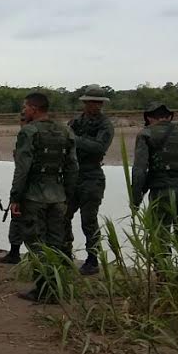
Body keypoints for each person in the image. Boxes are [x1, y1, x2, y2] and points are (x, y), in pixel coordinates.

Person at [10, 92, 78, 303]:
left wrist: (15, 197)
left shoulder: (29, 132)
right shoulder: (66, 131)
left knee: (36, 243)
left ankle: (43, 288)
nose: (23, 110)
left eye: (25, 107)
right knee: (56, 243)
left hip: (34, 196)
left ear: (34, 108)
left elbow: (22, 168)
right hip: (58, 196)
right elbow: (72, 166)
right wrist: (68, 194)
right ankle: (56, 286)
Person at [131, 102, 178, 248]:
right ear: (169, 117)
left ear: (148, 118)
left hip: (161, 190)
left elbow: (139, 170)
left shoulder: (146, 134)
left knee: (159, 234)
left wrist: (136, 198)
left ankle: (162, 269)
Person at [66, 85, 115, 275]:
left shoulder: (105, 125)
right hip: (73, 174)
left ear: (101, 104)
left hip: (92, 176)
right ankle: (65, 253)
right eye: (89, 102)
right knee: (64, 216)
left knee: (89, 220)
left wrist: (75, 139)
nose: (92, 105)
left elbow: (98, 148)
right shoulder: (76, 121)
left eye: (96, 102)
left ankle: (92, 260)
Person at [0, 112, 29, 265]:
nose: (21, 123)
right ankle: (15, 251)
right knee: (17, 218)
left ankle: (18, 252)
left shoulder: (29, 137)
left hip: (29, 185)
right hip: (25, 184)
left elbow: (23, 168)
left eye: (24, 120)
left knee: (23, 219)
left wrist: (16, 193)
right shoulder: (23, 137)